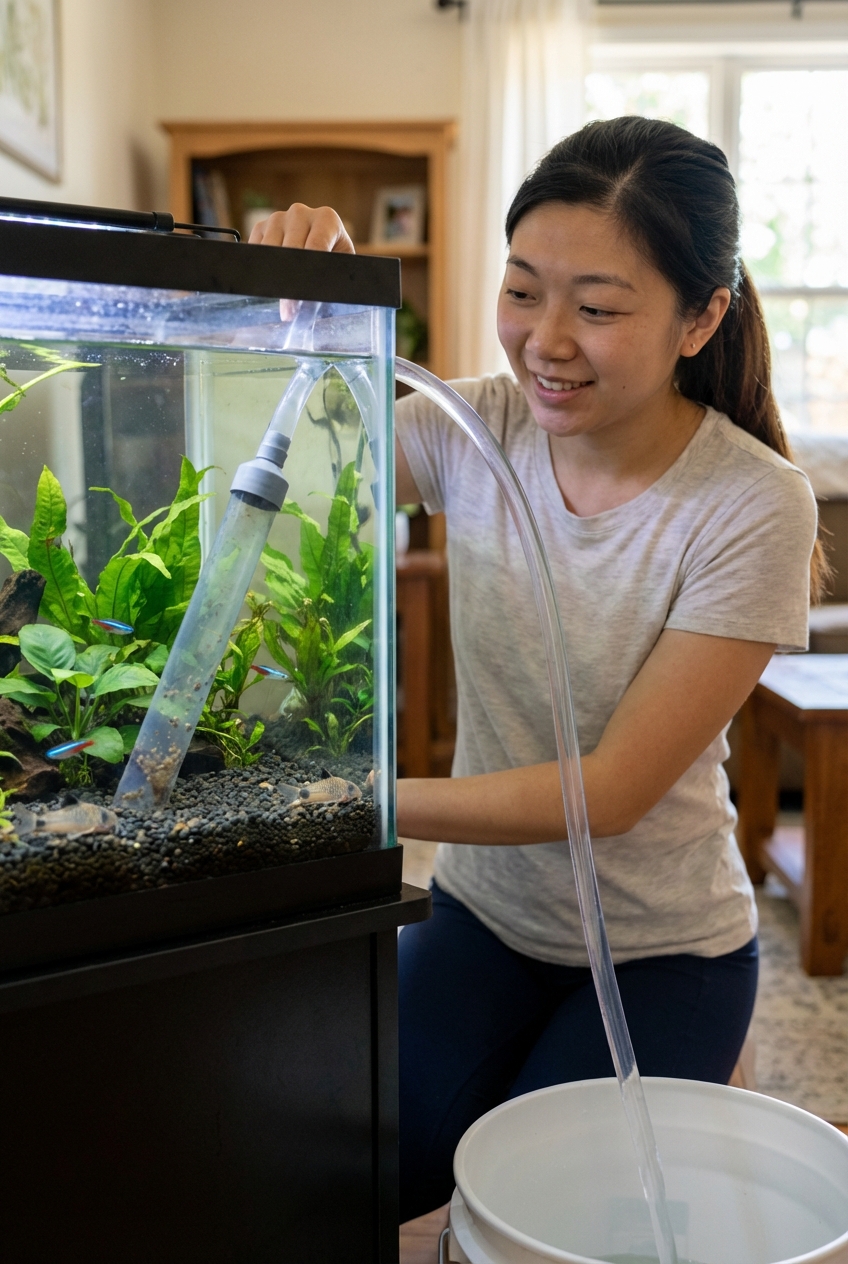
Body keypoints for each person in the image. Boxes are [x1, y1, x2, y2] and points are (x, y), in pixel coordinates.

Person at [249, 117, 823, 1223]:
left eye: (597, 308)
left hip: (665, 951)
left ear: (701, 317)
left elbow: (604, 793)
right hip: (484, 917)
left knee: (542, 1215)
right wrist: (295, 301)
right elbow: (297, 452)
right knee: (345, 1175)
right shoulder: (473, 425)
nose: (545, 340)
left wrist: (345, 804)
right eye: (521, 291)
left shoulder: (751, 503)